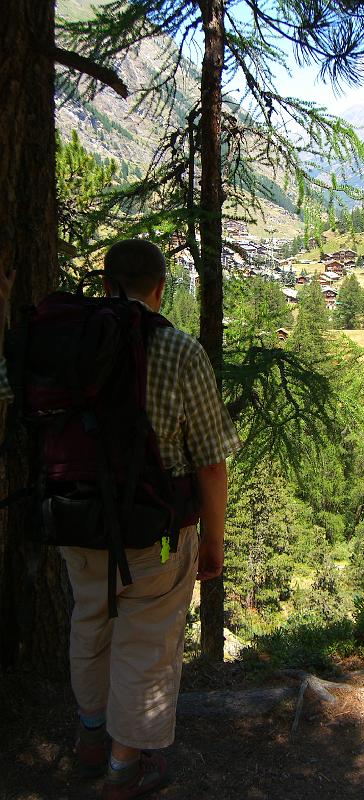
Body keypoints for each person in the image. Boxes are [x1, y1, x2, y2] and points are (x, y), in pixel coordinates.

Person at [0, 240, 240, 799]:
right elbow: (211, 464)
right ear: (160, 288)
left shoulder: (60, 345)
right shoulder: (179, 352)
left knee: (90, 623)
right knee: (145, 644)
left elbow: (7, 385)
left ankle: (89, 738)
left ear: (107, 285)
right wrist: (214, 542)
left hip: (74, 521)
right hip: (152, 534)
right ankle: (123, 767)